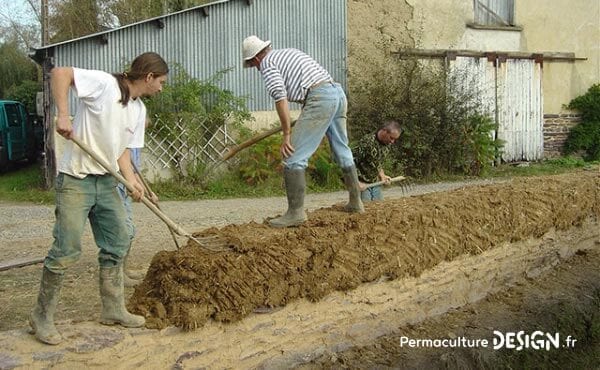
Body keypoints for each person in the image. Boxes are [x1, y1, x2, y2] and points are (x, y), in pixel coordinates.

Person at [29, 52, 168, 345]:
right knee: (66, 248)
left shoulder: (138, 110)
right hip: (76, 180)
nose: (161, 88)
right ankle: (42, 316)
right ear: (149, 77)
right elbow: (60, 73)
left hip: (106, 182)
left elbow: (123, 151)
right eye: (162, 82)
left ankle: (113, 308)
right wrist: (64, 114)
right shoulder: (104, 84)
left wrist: (131, 181)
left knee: (119, 238)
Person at [242, 35, 364, 228]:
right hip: (337, 94)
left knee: (292, 156)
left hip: (320, 98)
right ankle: (356, 202)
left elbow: (280, 99)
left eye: (252, 64)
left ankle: (295, 213)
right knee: (342, 149)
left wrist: (287, 134)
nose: (255, 68)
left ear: (255, 58)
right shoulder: (289, 52)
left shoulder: (267, 65)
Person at [117, 123, 158, 287]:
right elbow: (124, 170)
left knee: (129, 231)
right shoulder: (121, 138)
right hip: (114, 187)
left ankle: (122, 270)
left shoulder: (135, 144)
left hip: (125, 189)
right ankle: (118, 275)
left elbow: (135, 173)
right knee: (124, 231)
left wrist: (149, 193)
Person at [353, 121, 402, 202]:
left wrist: (382, 176)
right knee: (365, 210)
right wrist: (356, 181)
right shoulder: (367, 142)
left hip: (375, 183)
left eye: (394, 139)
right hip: (361, 185)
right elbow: (350, 162)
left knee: (379, 207)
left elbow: (377, 162)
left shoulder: (387, 145)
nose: (392, 142)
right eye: (391, 138)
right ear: (384, 131)